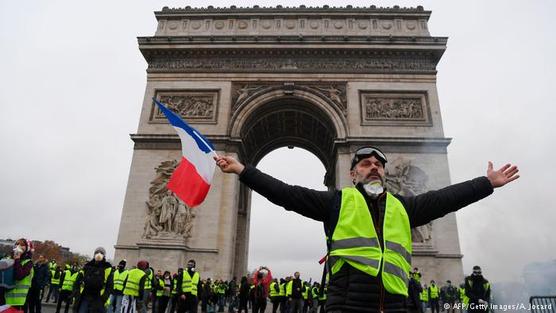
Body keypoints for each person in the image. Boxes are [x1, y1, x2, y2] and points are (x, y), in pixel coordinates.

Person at [214, 146, 519, 313]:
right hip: (348, 306)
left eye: (378, 164)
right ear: (352, 173)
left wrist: (486, 183)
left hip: (398, 305)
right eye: (365, 164)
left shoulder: (403, 207)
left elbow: (443, 199)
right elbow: (287, 193)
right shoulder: (336, 202)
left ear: (385, 172)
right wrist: (242, 169)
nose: (373, 166)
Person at [74, 247, 114, 313]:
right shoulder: (87, 266)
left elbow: (109, 286)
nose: (99, 254)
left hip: (98, 298)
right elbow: (77, 281)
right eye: (97, 252)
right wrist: (76, 293)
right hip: (85, 297)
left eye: (101, 253)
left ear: (104, 255)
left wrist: (104, 298)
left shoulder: (107, 268)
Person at [2, 238, 34, 311]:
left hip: (17, 301)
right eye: (17, 244)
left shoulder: (28, 262)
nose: (18, 246)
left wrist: (17, 259)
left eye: (22, 245)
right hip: (4, 298)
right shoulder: (8, 259)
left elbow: (19, 276)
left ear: (27, 248)